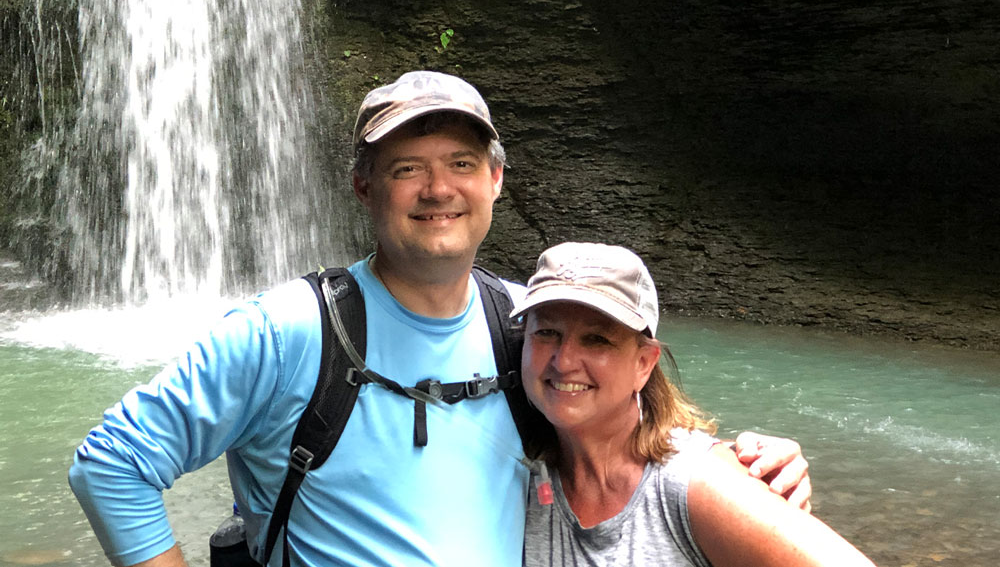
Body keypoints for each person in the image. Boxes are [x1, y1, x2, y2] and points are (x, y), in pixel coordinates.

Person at [69, 71, 811, 567]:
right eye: (404, 167)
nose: (436, 189)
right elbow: (110, 464)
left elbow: (621, 421)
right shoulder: (289, 328)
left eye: (460, 162)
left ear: (493, 180)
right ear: (365, 186)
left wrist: (747, 466)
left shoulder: (522, 323)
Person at [517, 241, 878, 567]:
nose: (563, 361)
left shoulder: (696, 483)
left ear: (644, 364)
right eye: (547, 332)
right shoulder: (518, 474)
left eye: (597, 339)